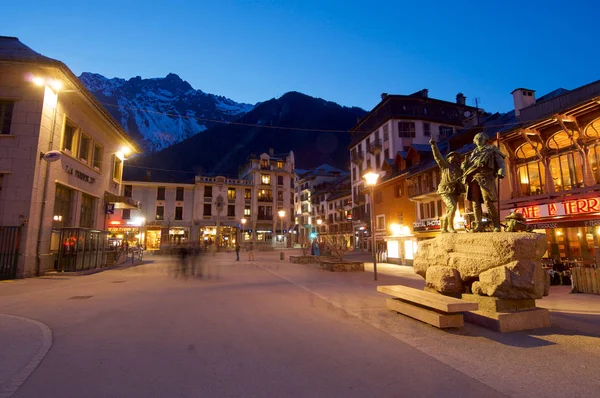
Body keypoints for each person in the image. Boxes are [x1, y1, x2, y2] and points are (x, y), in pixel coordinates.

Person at [461, 132, 507, 232]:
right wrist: (464, 166)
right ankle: (479, 224)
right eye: (476, 139)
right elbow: (469, 166)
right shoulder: (474, 153)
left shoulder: (492, 149)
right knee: (475, 203)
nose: (478, 140)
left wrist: (501, 171)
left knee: (488, 202)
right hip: (473, 178)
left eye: (480, 138)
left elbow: (501, 162)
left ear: (485, 139)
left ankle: (496, 224)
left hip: (486, 177)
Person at [430, 138, 464, 233]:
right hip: (445, 189)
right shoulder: (445, 166)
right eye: (452, 157)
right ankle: (450, 227)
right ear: (449, 159)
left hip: (454, 190)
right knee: (452, 207)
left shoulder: (460, 170)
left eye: (456, 157)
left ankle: (444, 227)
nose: (454, 158)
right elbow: (438, 157)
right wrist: (434, 146)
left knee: (450, 210)